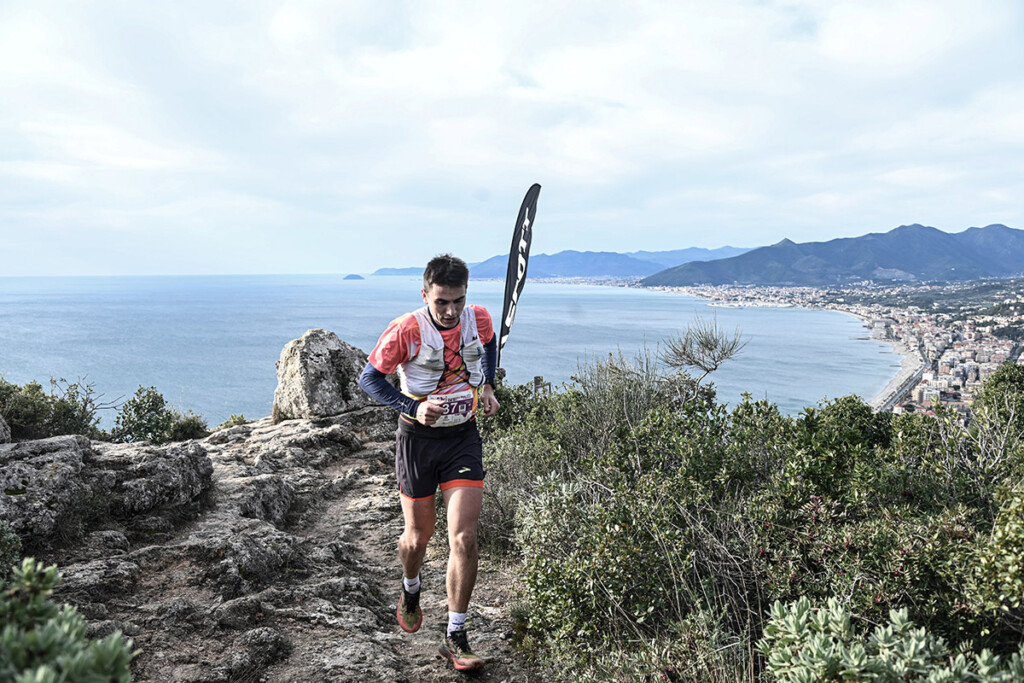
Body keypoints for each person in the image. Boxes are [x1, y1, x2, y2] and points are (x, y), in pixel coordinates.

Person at [358, 253, 500, 672]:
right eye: (442, 302)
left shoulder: (479, 318)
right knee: (418, 538)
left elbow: (489, 347)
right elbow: (370, 379)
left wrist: (488, 385)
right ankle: (411, 586)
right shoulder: (406, 329)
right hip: (417, 441)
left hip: (462, 439)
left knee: (464, 538)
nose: (451, 310)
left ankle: (455, 635)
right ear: (425, 295)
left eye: (458, 300)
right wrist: (412, 405)